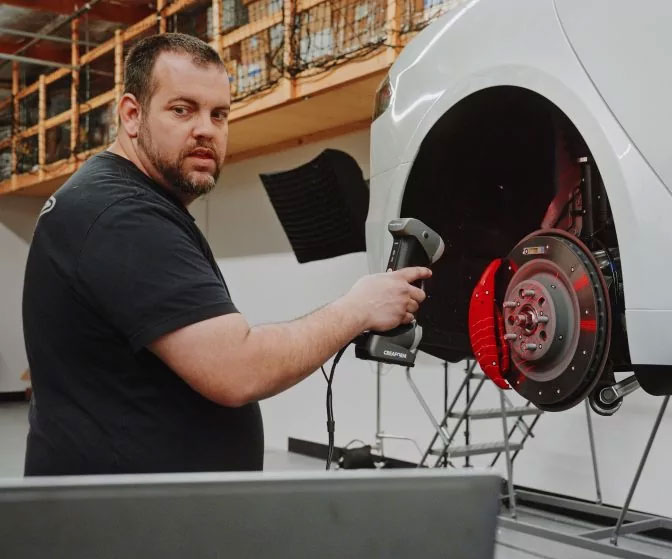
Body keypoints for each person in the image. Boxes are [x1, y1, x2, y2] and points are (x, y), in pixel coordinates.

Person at [20, 33, 429, 475]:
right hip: (124, 526)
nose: (205, 129)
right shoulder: (122, 214)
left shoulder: (110, 199)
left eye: (219, 114)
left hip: (134, 513)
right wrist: (358, 308)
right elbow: (237, 369)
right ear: (132, 115)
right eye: (182, 109)